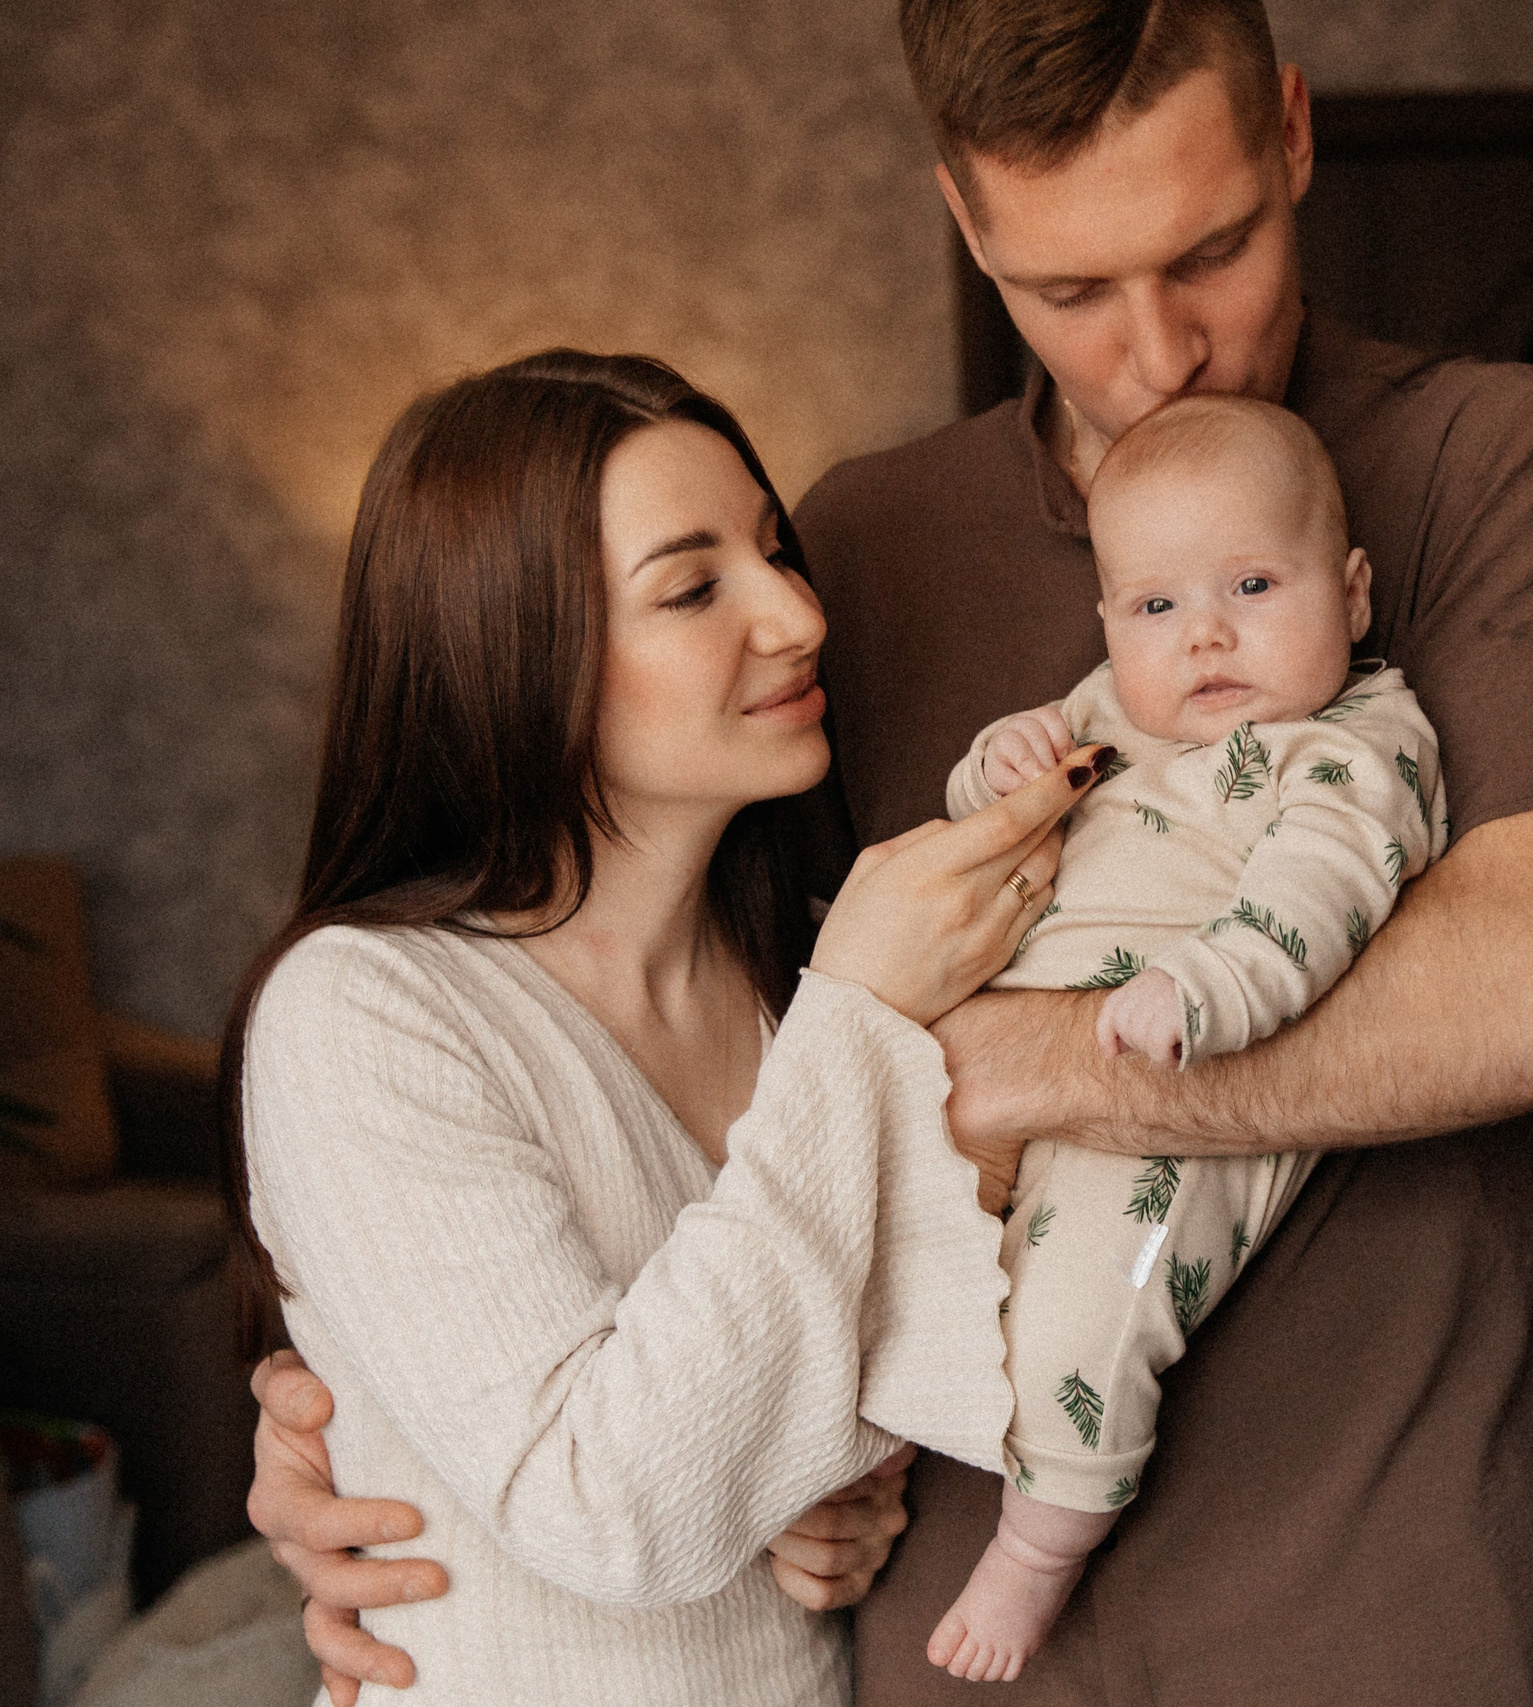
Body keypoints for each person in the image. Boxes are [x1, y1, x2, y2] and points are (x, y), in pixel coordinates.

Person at [250, 1, 1533, 1700]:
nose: (1158, 353)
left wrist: (994, 1067)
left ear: (1293, 133)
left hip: (1368, 1620)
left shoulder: (1487, 461)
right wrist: (362, 1410)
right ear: (966, 221)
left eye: (1211, 250)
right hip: (928, 1642)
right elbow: (671, 1110)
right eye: (1068, 290)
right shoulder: (862, 545)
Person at [226, 350, 1104, 1704]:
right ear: (513, 650)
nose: (798, 613)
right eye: (693, 586)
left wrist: (831, 1480)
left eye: (771, 549)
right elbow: (614, 1506)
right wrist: (861, 1011)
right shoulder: (365, 1009)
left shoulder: (789, 972)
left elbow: (871, 1374)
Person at [928, 394, 1445, 1681]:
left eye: (1255, 585)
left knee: (1084, 1319)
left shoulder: (1344, 745)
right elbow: (986, 815)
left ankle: (1042, 1546)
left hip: (1172, 1101)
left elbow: (1323, 891)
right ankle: (853, 1461)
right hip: (1004, 1088)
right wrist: (1002, 760)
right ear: (1108, 622)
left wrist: (1208, 989)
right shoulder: (1113, 708)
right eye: (1153, 606)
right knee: (885, 1276)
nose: (1204, 633)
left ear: (1354, 592)